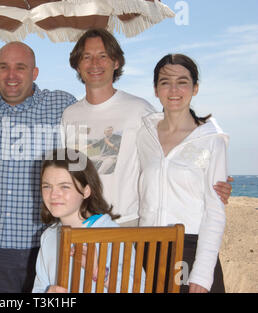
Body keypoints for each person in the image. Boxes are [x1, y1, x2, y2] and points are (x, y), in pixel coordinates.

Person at [61, 28, 232, 227]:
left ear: (116, 62)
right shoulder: (70, 115)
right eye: (86, 57)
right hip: (80, 222)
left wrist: (211, 174)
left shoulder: (139, 110)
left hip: (126, 223)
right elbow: (70, 172)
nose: (95, 64)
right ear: (77, 65)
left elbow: (170, 153)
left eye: (103, 56)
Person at [0, 42, 76, 292]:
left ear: (35, 73)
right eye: (4, 67)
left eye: (20, 67)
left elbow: (98, 121)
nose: (11, 75)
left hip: (47, 246)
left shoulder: (61, 105)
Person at [137, 54, 228, 293]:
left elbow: (215, 212)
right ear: (156, 90)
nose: (174, 89)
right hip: (147, 247)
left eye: (183, 81)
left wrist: (202, 272)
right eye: (165, 82)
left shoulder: (212, 140)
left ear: (195, 88)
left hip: (189, 249)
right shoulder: (143, 134)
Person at [32, 148, 145, 293]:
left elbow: (139, 289)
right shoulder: (48, 236)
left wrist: (98, 273)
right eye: (47, 186)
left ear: (86, 191)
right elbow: (38, 289)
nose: (53, 194)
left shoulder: (113, 234)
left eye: (64, 186)